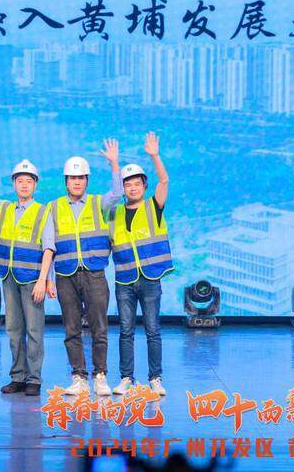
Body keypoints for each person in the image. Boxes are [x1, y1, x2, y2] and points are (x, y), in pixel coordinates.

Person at [0, 142, 56, 397]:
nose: (24, 185)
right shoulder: (4, 208)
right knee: (14, 329)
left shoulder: (43, 212)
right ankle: (18, 376)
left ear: (35, 185)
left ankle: (34, 378)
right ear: (14, 184)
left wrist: (43, 280)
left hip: (32, 279)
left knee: (34, 330)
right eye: (20, 181)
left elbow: (49, 248)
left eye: (29, 181)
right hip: (9, 277)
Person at [48, 139, 123, 397]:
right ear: (66, 181)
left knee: (99, 327)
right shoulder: (54, 207)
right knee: (72, 329)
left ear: (87, 180)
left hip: (94, 274)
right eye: (73, 178)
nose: (77, 182)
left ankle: (100, 376)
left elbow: (118, 193)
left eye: (81, 178)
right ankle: (78, 377)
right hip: (65, 275)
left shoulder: (98, 203)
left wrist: (114, 163)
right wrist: (48, 278)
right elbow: (49, 245)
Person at [110, 131, 173, 397]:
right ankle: (126, 378)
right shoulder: (114, 213)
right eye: (128, 184)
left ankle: (155, 378)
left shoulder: (153, 207)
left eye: (137, 184)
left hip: (149, 278)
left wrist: (155, 156)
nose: (133, 188)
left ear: (144, 186)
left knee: (152, 330)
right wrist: (114, 164)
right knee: (125, 330)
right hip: (124, 279)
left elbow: (164, 181)